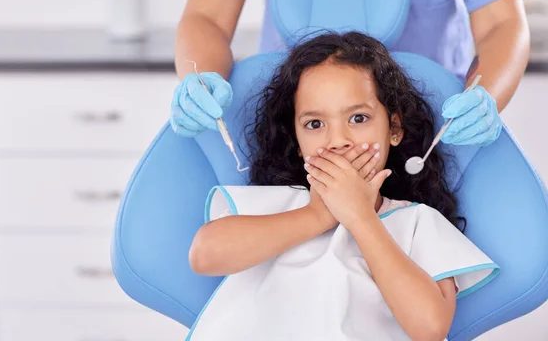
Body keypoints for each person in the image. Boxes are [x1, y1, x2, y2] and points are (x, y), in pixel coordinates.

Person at [185, 31, 499, 341]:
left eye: (358, 118)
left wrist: (360, 217)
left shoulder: (418, 223)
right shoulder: (274, 204)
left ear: (394, 128)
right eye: (315, 124)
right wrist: (318, 216)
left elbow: (430, 328)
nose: (338, 141)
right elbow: (205, 255)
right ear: (297, 143)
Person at [170, 0, 529, 150]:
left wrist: (485, 97)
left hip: (429, 123)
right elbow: (208, 16)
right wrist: (200, 80)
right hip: (296, 126)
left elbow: (502, 23)